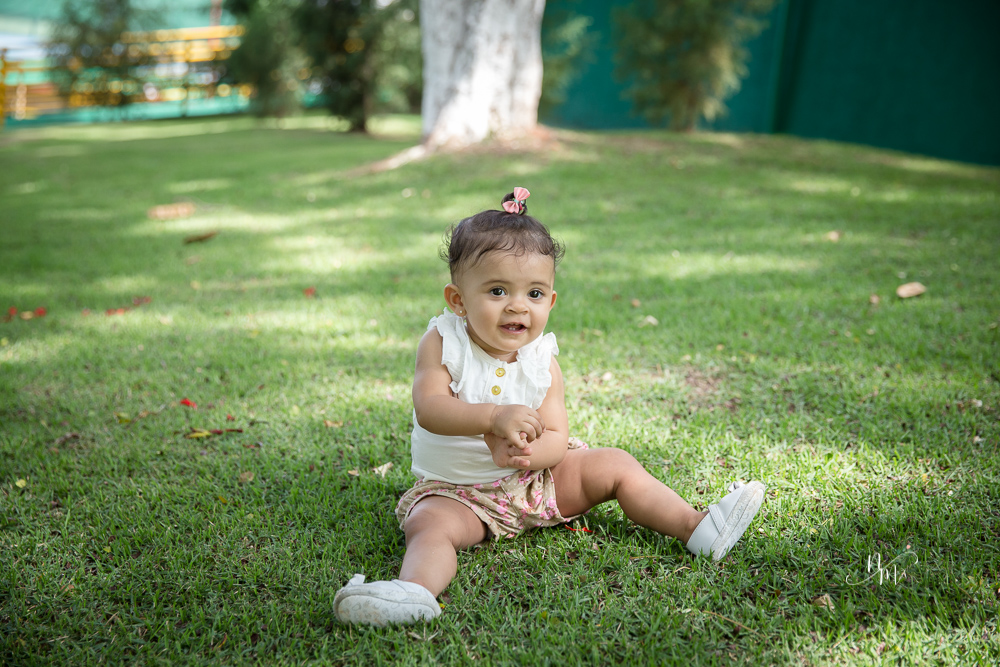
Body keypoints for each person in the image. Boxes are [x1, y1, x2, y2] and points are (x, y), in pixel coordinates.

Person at [334, 187, 765, 626]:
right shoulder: (445, 343)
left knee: (615, 464)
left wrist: (527, 455)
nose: (518, 305)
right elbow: (430, 408)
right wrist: (492, 417)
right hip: (460, 495)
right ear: (458, 300)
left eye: (535, 293)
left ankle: (698, 528)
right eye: (498, 290)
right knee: (428, 526)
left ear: (551, 301)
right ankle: (415, 594)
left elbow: (557, 439)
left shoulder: (542, 360)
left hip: (537, 481)